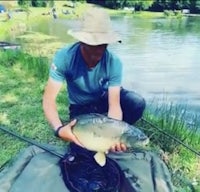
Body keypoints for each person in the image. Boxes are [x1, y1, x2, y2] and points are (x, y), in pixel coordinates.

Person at [43, 7, 146, 152]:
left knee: (136, 102)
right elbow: (49, 101)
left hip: (102, 99)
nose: (96, 53)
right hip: (81, 107)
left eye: (102, 46)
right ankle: (93, 132)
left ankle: (109, 136)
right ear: (81, 41)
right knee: (82, 148)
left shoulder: (114, 62)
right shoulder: (64, 57)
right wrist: (59, 129)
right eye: (91, 46)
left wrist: (115, 132)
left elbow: (114, 105)